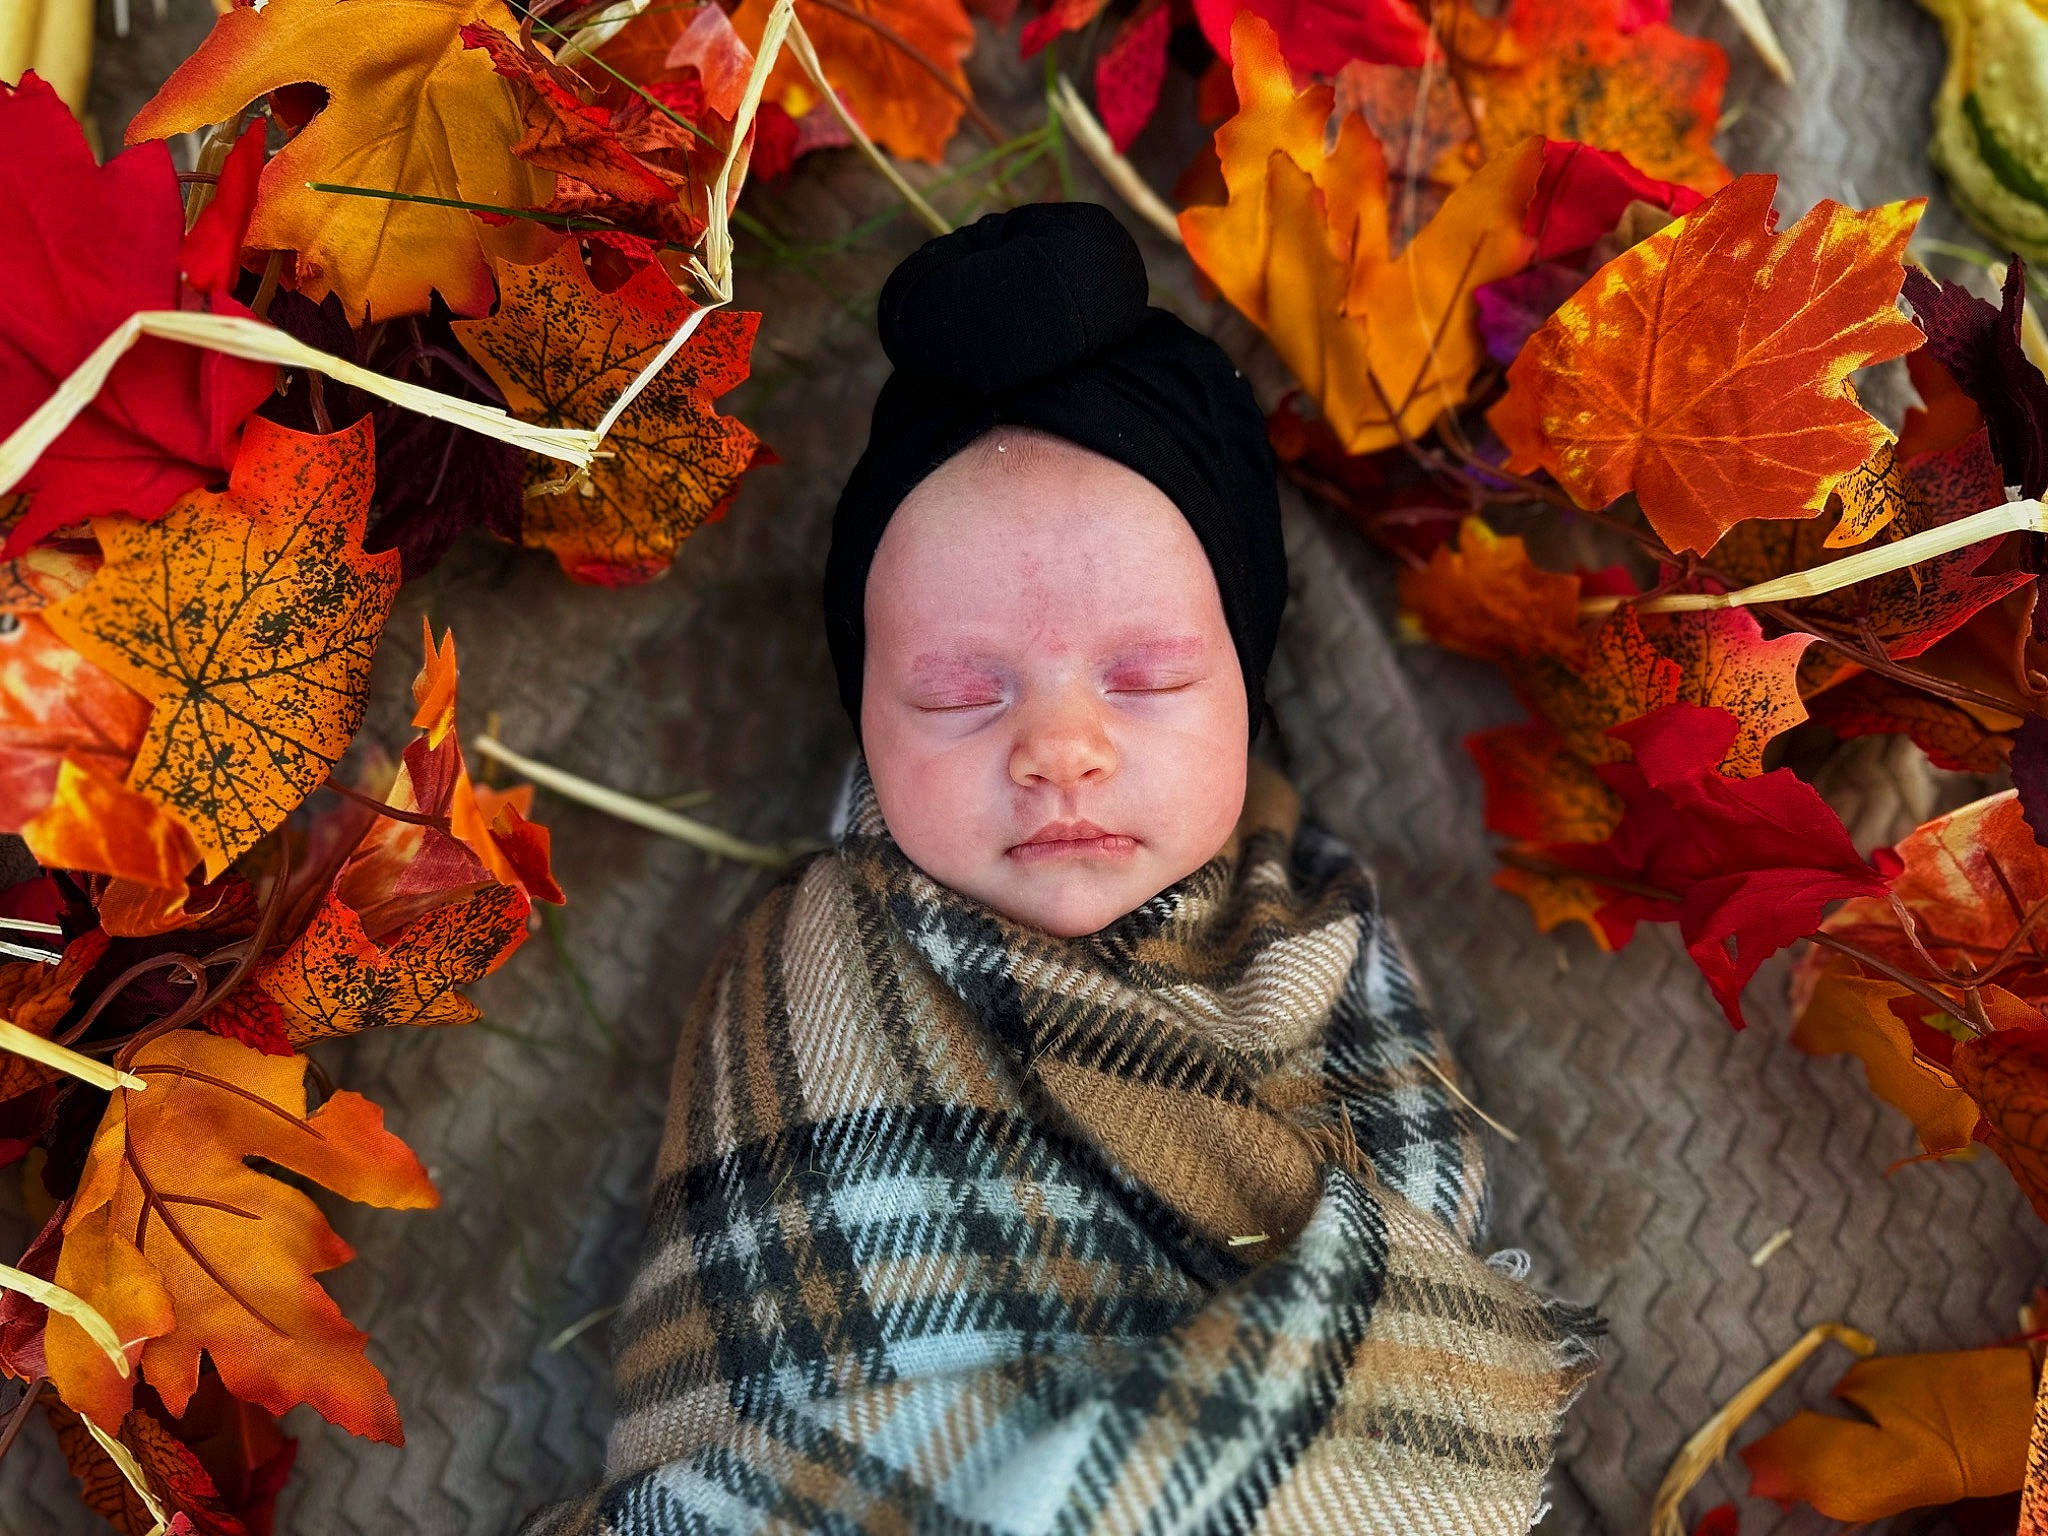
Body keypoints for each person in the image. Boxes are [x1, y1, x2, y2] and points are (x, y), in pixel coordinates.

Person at [520, 201, 1598, 1536]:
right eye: (957, 696)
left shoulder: (1312, 929)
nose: (1060, 749)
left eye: (1148, 680)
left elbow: (1415, 1224)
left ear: (1247, 695)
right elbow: (748, 1341)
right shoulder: (806, 979)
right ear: (866, 722)